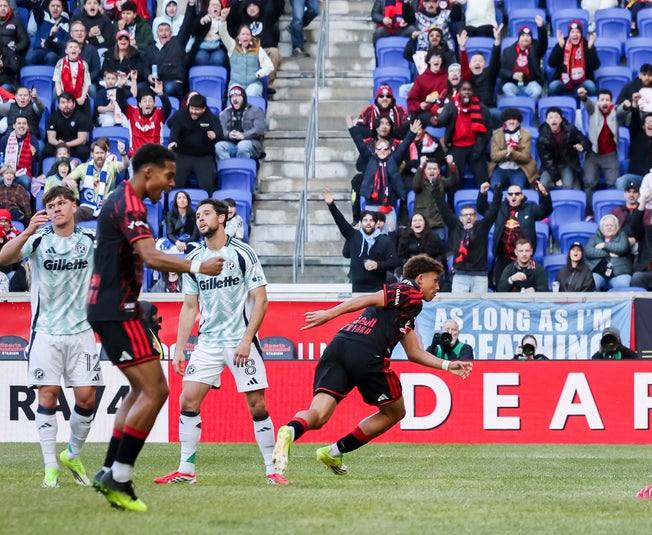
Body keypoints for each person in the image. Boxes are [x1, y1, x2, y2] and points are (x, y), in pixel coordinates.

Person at [87, 144, 226, 512]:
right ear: (148, 172)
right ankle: (119, 476)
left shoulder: (122, 200)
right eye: (167, 176)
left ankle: (107, 471)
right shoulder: (128, 204)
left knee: (138, 390)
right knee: (156, 390)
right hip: (116, 309)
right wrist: (197, 267)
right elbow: (149, 255)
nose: (170, 183)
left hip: (114, 307)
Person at [271, 254, 472, 476]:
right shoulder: (409, 293)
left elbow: (414, 352)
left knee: (318, 415)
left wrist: (446, 365)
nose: (437, 287)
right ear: (421, 278)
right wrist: (330, 313)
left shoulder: (405, 308)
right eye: (435, 281)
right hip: (366, 354)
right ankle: (334, 451)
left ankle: (290, 430)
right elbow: (368, 298)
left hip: (339, 347)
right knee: (394, 412)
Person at [154, 199, 285, 485]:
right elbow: (190, 307)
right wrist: (179, 347)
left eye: (206, 214)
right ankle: (186, 470)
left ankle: (272, 470)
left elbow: (261, 300)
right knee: (187, 399)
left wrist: (247, 340)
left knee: (257, 406)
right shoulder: (195, 260)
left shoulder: (242, 253)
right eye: (198, 215)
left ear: (222, 218)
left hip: (240, 340)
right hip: (208, 342)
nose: (200, 219)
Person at [0, 187, 99, 487]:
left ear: (73, 207)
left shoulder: (89, 241)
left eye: (61, 204)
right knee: (47, 395)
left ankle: (73, 453)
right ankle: (50, 469)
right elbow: (4, 258)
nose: (56, 209)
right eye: (51, 205)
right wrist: (28, 229)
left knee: (86, 398)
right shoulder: (39, 239)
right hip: (45, 332)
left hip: (82, 332)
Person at [323, 189, 399, 292]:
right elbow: (340, 221)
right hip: (357, 288)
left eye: (371, 220)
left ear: (376, 223)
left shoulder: (384, 240)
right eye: (365, 220)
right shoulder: (354, 235)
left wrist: (378, 265)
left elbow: (394, 262)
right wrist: (331, 205)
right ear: (361, 223)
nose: (368, 223)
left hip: (378, 289)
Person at [486, 181, 552, 288]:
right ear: (506, 196)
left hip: (523, 259)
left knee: (523, 291)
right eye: (510, 194)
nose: (514, 196)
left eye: (517, 194)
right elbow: (482, 209)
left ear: (522, 196)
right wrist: (483, 194)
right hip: (503, 258)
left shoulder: (530, 208)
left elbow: (545, 211)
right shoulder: (499, 208)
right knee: (501, 289)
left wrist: (544, 195)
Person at [167, 93, 222, 191]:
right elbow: (173, 127)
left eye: (197, 109)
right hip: (182, 154)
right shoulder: (181, 114)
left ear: (204, 109)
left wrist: (215, 135)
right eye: (192, 108)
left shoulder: (211, 117)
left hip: (203, 156)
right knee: (174, 183)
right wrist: (173, 141)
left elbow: (219, 131)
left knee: (208, 185)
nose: (193, 112)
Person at [489, 107, 537, 189]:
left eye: (514, 119)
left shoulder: (526, 134)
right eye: (508, 120)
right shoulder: (496, 134)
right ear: (505, 122)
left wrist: (513, 153)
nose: (511, 122)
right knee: (494, 188)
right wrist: (506, 152)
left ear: (518, 122)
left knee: (518, 189)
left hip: (518, 168)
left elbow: (526, 157)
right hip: (500, 168)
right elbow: (494, 156)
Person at [215, 85, 266, 159]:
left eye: (238, 96)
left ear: (244, 97)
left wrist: (243, 135)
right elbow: (220, 130)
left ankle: (242, 168)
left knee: (242, 145)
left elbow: (260, 129)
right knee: (219, 146)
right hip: (232, 144)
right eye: (232, 97)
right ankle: (228, 167)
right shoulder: (226, 113)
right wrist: (229, 134)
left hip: (251, 144)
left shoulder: (255, 110)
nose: (235, 99)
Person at [585, 214, 634, 291]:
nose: (609, 228)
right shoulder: (594, 238)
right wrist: (607, 254)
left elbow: (622, 248)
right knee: (591, 284)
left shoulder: (622, 235)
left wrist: (604, 245)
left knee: (623, 285)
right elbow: (588, 251)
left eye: (612, 225)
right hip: (597, 270)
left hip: (619, 271)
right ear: (601, 227)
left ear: (617, 227)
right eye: (606, 225)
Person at [498, 24, 547, 99]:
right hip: (513, 83)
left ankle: (529, 106)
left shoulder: (535, 49)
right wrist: (512, 75)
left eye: (528, 36)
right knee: (507, 88)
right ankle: (515, 106)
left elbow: (543, 43)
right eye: (523, 35)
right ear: (519, 38)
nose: (526, 38)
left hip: (530, 83)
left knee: (537, 90)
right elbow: (500, 70)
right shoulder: (508, 51)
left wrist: (541, 28)